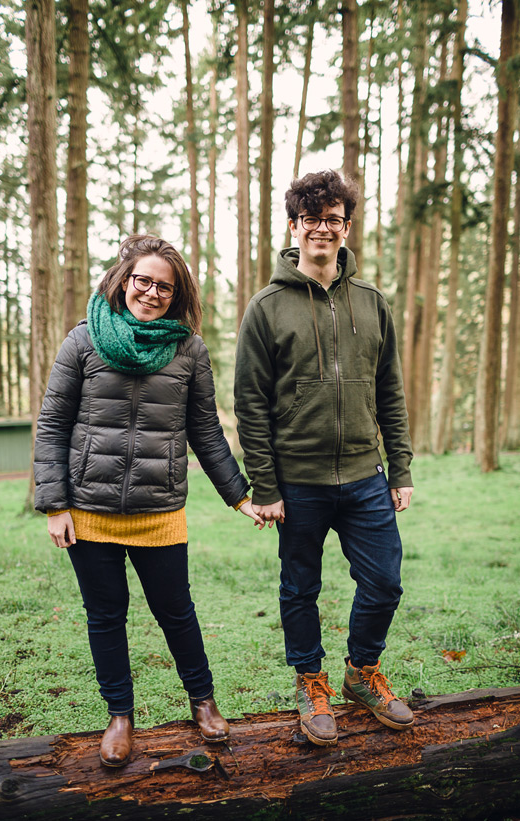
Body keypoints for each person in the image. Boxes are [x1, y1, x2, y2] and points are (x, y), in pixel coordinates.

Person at [33, 235, 262, 768]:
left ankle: (203, 702)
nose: (152, 293)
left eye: (165, 286)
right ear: (122, 280)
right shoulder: (82, 341)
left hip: (159, 512)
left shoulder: (189, 350)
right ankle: (120, 716)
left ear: (176, 294)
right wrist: (55, 504)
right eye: (144, 281)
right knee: (106, 615)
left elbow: (206, 431)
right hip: (88, 511)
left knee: (176, 612)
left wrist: (240, 496)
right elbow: (51, 428)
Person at [234, 169, 415, 747]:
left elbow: (390, 389)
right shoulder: (266, 307)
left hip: (366, 474)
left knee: (385, 582)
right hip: (299, 480)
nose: (322, 229)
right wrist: (265, 486)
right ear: (294, 226)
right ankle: (310, 682)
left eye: (332, 219)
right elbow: (250, 403)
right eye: (311, 219)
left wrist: (402, 467)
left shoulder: (371, 302)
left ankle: (362, 672)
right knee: (299, 589)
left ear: (346, 227)